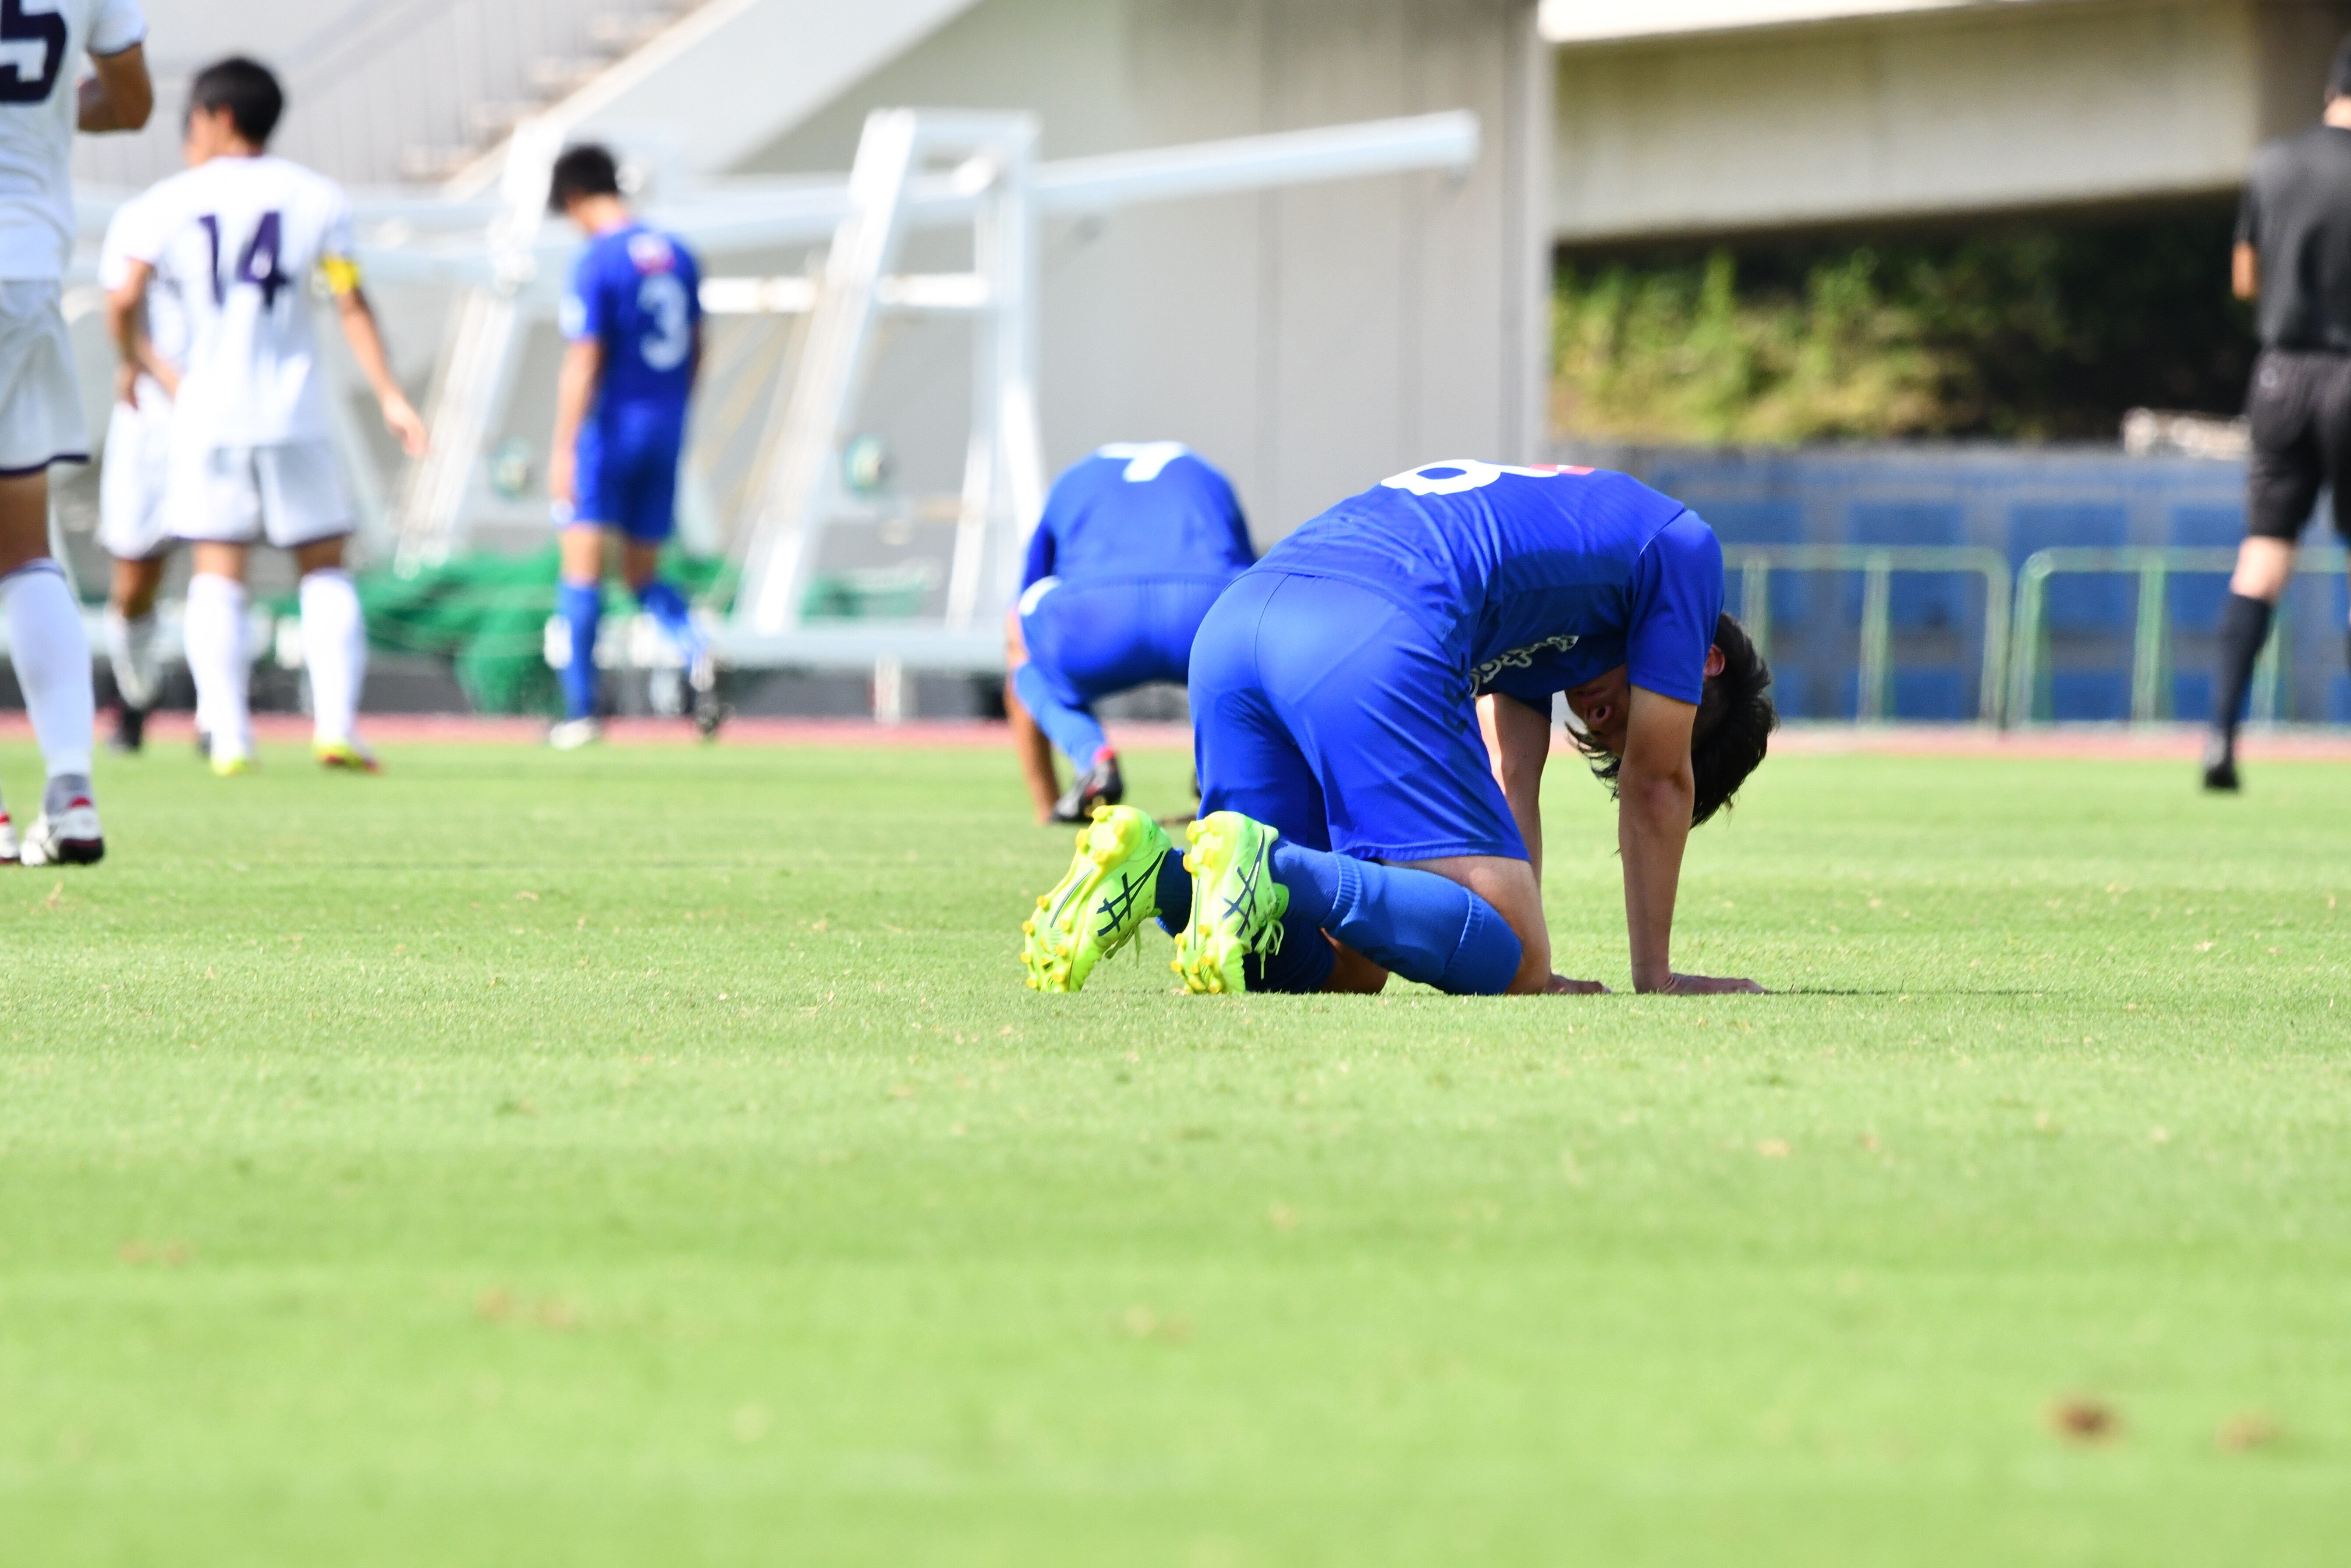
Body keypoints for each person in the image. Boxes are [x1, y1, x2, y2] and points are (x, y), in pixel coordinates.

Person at [1020, 458, 1776, 999]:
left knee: (1345, 965)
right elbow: (1657, 779)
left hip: (1237, 627)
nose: (1603, 728)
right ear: (1701, 663)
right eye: (1631, 722)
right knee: (1510, 959)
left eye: (1603, 741)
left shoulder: (1562, 594)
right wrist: (1655, 976)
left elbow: (1514, 776)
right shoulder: (1682, 545)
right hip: (1365, 623)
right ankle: (1272, 864)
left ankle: (1161, 877)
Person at [106, 56, 427, 777]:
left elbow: (124, 295)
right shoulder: (316, 198)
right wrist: (391, 395)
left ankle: (228, 733)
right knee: (323, 565)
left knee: (218, 569)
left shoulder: (171, 200)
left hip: (206, 412)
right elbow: (348, 299)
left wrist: (135, 361)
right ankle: (338, 725)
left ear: (219, 117)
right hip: (294, 409)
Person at [0, 0, 151, 863]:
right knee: (24, 550)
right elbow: (130, 102)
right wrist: (52, 111)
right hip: (26, 270)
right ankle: (71, 786)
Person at [2208, 34, 2351, 791]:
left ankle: (2221, 739)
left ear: (2330, 87)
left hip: (2282, 373)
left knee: (2262, 557)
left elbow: (2244, 279)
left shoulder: (2272, 162)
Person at [543, 142, 719, 749]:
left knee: (584, 567)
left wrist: (564, 446)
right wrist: (676, 410)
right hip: (666, 427)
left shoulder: (597, 261)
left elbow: (585, 355)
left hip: (610, 429)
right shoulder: (679, 255)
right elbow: (698, 346)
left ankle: (581, 712)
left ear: (573, 199)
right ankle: (697, 650)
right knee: (643, 572)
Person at [1006, 441, 1255, 822]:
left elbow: (1028, 590)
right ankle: (1220, 772)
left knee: (1020, 646)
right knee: (1257, 648)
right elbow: (1250, 575)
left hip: (1096, 619)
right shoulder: (1204, 471)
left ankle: (1086, 763)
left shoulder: (1073, 477)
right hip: (1204, 611)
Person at [96, 137, 195, 754]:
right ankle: (136, 697)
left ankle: (221, 717)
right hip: (157, 416)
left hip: (222, 415)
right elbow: (124, 296)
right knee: (140, 573)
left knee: (222, 563)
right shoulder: (155, 210)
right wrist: (146, 364)